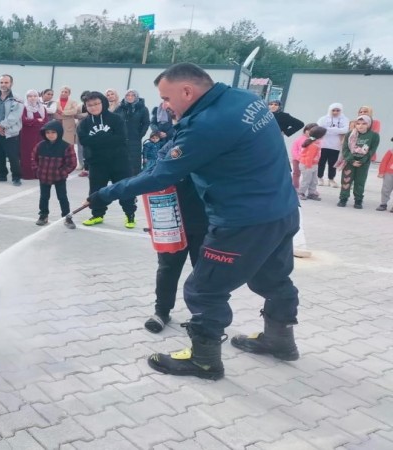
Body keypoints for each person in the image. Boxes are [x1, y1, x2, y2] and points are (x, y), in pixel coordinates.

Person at [88, 63, 301, 380]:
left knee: (204, 290)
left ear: (187, 91)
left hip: (242, 221)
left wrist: (107, 193)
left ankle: (204, 360)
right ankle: (280, 339)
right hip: (281, 210)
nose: (165, 105)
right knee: (271, 277)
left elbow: (161, 174)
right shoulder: (245, 99)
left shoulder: (207, 125)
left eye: (167, 98)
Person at [144, 142, 209, 334]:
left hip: (205, 222)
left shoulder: (212, 146)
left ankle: (203, 316)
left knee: (204, 273)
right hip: (172, 222)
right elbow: (152, 173)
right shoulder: (171, 147)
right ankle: (162, 311)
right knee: (167, 268)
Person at [77, 91, 137, 229]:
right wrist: (106, 138)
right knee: (96, 189)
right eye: (89, 105)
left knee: (125, 188)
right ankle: (97, 215)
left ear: (103, 103)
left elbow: (120, 138)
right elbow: (84, 140)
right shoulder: (84, 124)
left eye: (96, 103)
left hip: (119, 161)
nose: (93, 107)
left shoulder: (116, 119)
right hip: (97, 163)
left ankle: (130, 215)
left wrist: (97, 140)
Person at [32, 120, 77, 229]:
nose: (50, 135)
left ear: (59, 132)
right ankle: (43, 215)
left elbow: (72, 163)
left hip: (59, 178)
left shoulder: (66, 146)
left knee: (62, 197)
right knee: (44, 197)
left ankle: (67, 217)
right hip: (43, 177)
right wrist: (37, 170)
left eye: (53, 132)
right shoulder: (40, 146)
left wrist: (61, 172)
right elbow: (33, 159)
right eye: (47, 133)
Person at [0, 74, 23, 186]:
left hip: (10, 133)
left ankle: (16, 177)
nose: (3, 85)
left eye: (6, 82)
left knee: (13, 156)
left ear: (11, 84)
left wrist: (1, 126)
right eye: (1, 82)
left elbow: (15, 115)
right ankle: (1, 174)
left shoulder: (17, 99)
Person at [337, 115, 380, 209]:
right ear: (355, 124)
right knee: (346, 180)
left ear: (369, 124)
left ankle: (358, 200)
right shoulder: (350, 134)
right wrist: (351, 160)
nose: (361, 126)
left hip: (363, 163)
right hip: (349, 162)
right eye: (358, 123)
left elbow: (372, 150)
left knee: (360, 182)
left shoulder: (374, 135)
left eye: (364, 123)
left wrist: (362, 161)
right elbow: (345, 149)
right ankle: (343, 198)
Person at [116, 89, 151, 176]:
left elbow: (146, 122)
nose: (130, 97)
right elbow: (114, 121)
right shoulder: (120, 108)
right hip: (121, 138)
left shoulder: (142, 108)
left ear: (136, 97)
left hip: (135, 138)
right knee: (121, 160)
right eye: (128, 95)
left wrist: (140, 134)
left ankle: (135, 180)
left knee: (134, 161)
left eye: (133, 95)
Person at [316, 103, 349, 188]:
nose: (335, 112)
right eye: (333, 110)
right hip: (323, 144)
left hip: (336, 145)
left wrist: (329, 129)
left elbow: (345, 129)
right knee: (321, 162)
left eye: (338, 110)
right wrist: (337, 130)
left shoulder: (344, 119)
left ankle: (331, 179)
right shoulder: (323, 119)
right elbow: (319, 129)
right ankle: (319, 177)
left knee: (333, 163)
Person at [19, 89, 47, 180]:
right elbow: (24, 121)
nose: (32, 98)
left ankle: (37, 173)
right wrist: (36, 121)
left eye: (35, 96)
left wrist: (33, 122)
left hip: (40, 135)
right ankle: (27, 174)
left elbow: (45, 121)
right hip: (27, 135)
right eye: (30, 96)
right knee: (28, 153)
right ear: (27, 98)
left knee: (38, 153)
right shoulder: (24, 107)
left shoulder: (42, 108)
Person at [297, 126, 326, 201]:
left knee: (314, 180)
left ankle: (311, 193)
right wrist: (308, 165)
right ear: (320, 136)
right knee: (306, 180)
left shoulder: (316, 142)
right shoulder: (313, 145)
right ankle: (301, 193)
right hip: (307, 165)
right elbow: (309, 157)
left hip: (314, 165)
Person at [290, 123, 317, 190]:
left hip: (308, 161)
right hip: (297, 160)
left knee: (309, 175)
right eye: (309, 130)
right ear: (305, 130)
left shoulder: (314, 140)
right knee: (296, 173)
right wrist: (298, 158)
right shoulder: (299, 139)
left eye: (313, 131)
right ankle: (295, 187)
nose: (310, 132)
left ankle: (309, 189)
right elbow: (294, 150)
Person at [376, 147, 393, 212]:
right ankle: (383, 204)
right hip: (389, 173)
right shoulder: (391, 151)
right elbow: (384, 161)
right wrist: (381, 172)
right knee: (386, 189)